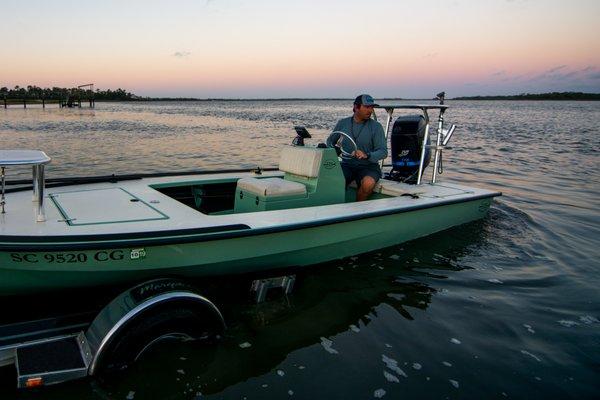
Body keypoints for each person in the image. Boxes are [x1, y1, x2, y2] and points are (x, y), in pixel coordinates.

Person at [327, 94, 388, 201]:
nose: (370, 110)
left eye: (372, 107)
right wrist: (333, 149)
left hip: (369, 167)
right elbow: (330, 141)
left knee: (368, 184)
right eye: (367, 107)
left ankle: (357, 210)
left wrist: (367, 155)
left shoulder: (376, 127)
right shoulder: (343, 123)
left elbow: (383, 152)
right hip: (347, 165)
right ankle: (336, 209)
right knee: (333, 180)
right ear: (356, 107)